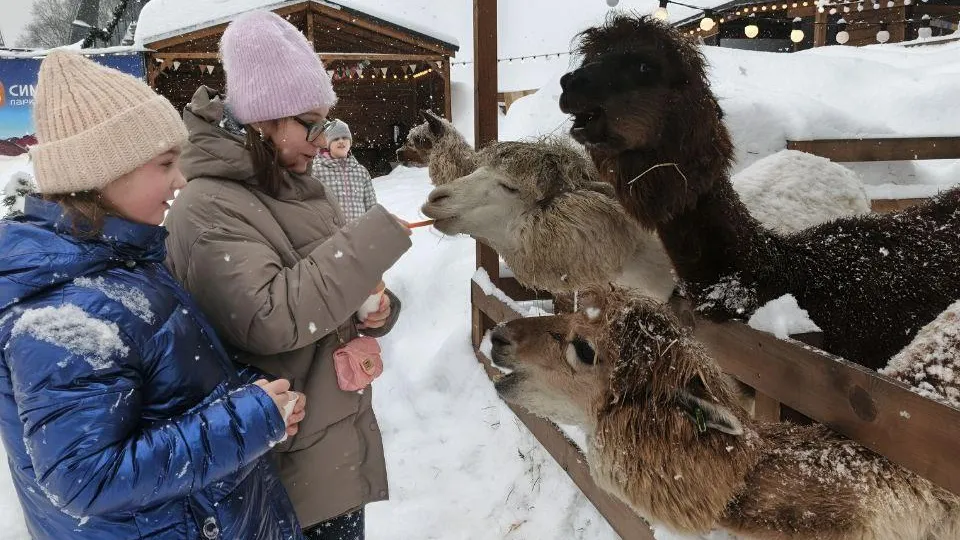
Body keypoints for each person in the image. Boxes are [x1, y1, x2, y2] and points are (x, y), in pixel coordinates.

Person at [0, 51, 305, 539]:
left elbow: (164, 378)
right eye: (165, 163)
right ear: (101, 174)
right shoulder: (62, 315)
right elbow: (84, 478)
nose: (180, 180)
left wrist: (248, 395)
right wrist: (244, 421)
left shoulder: (123, 264)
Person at [162, 10, 412, 539]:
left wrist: (374, 309)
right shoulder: (208, 206)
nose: (324, 141)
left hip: (331, 449)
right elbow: (270, 319)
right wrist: (369, 246)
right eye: (310, 122)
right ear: (262, 118)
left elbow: (331, 289)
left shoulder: (299, 187)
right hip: (278, 474)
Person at [312, 119, 377, 224]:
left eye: (345, 138)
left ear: (350, 142)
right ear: (327, 143)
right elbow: (312, 204)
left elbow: (371, 205)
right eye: (336, 139)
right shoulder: (317, 170)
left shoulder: (361, 172)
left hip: (358, 231)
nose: (341, 141)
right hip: (332, 232)